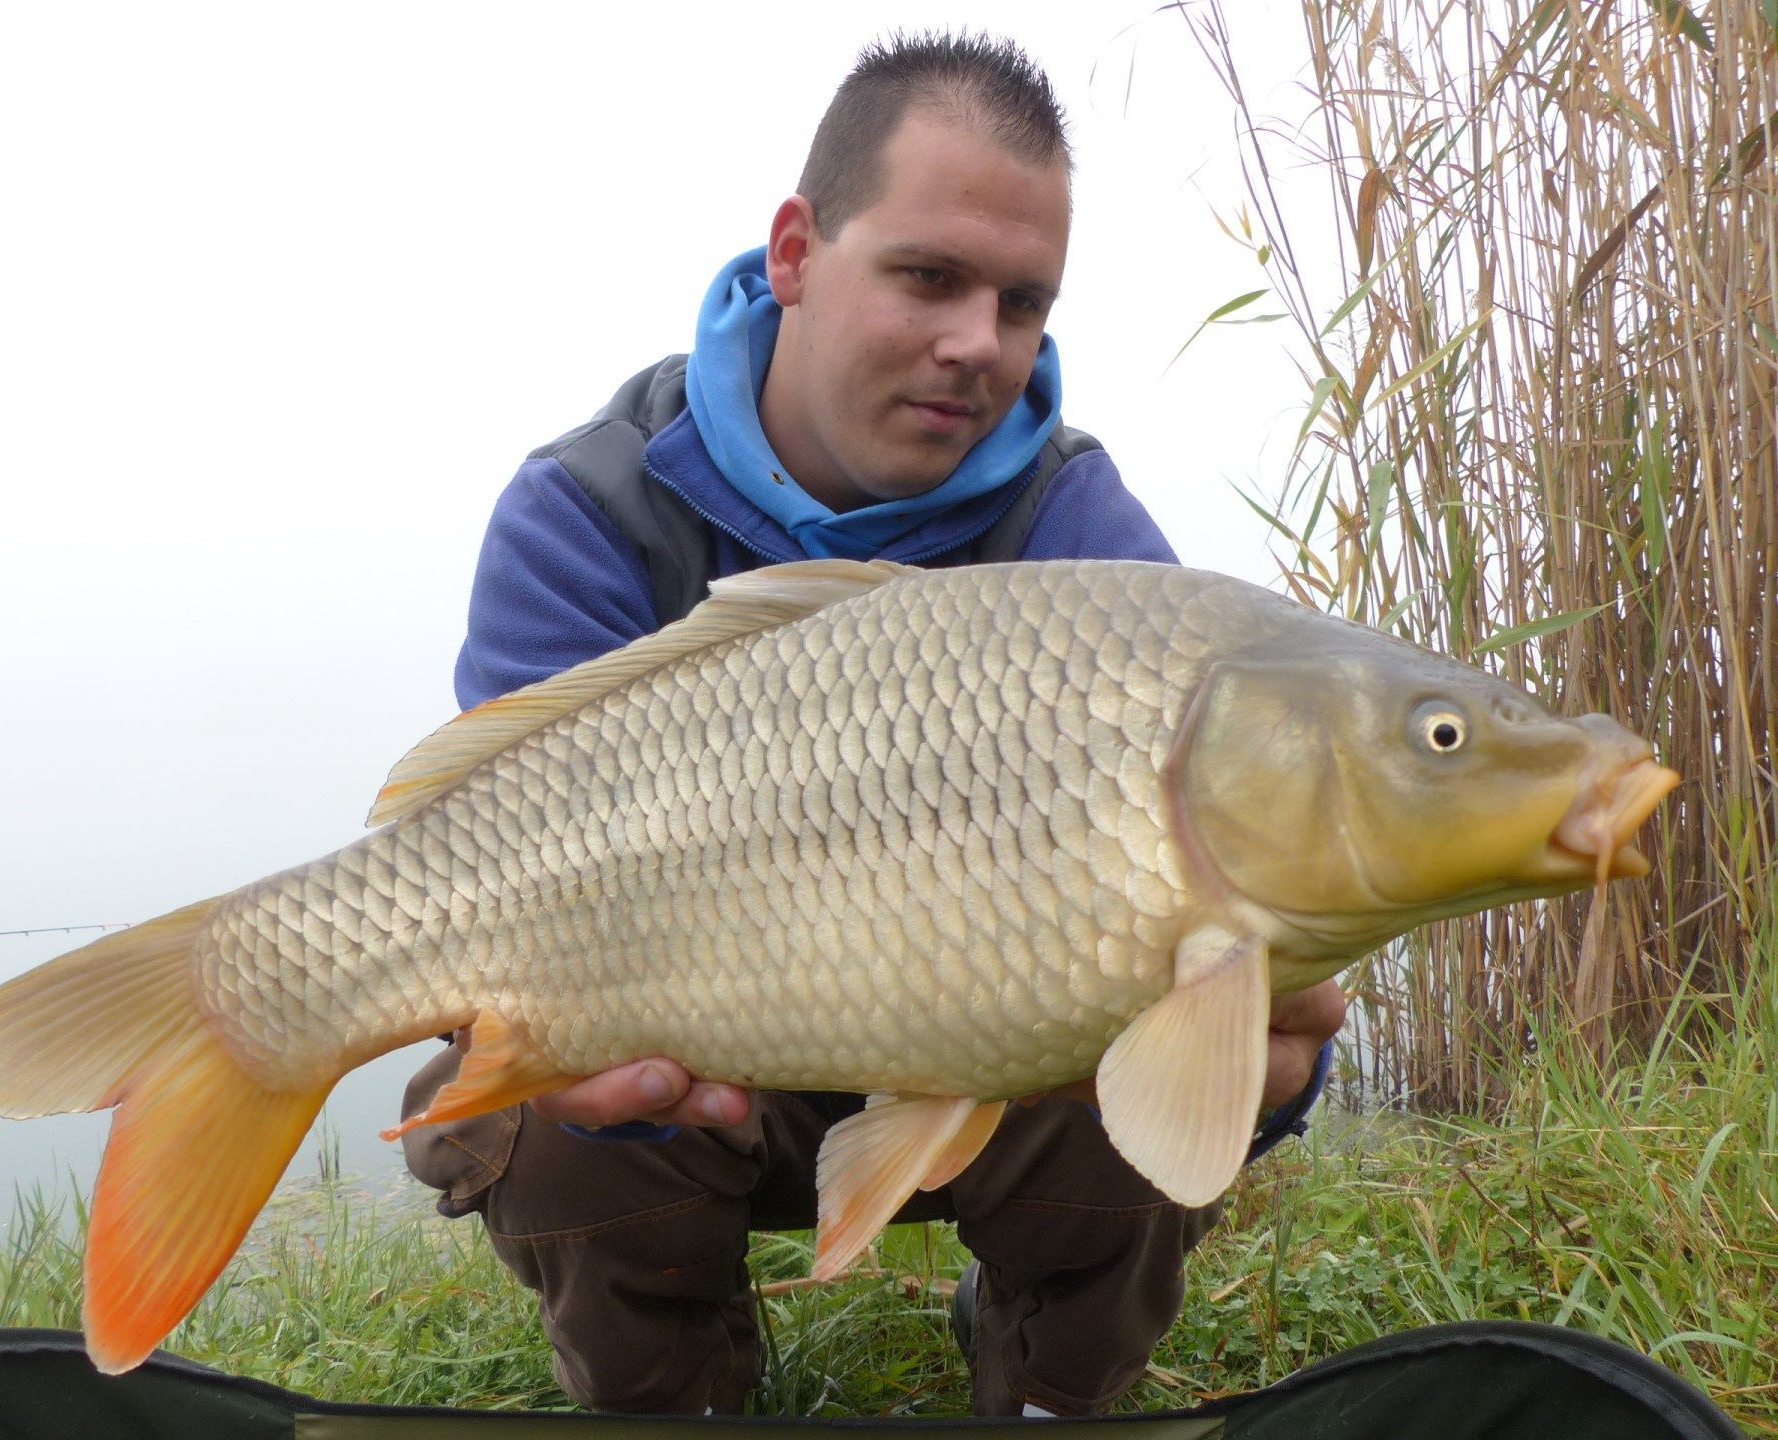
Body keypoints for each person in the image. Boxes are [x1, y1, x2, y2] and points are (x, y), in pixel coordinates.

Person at [400, 30, 1346, 1418]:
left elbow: (1225, 916)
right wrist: (540, 1049)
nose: (981, 344)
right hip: (703, 1055)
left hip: (986, 1051)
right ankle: (677, 1390)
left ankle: (1046, 1380)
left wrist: (1254, 1050)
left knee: (1157, 1038)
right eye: (929, 276)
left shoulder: (1079, 536)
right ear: (794, 251)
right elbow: (488, 862)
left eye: (1024, 302)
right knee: (544, 1113)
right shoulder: (589, 514)